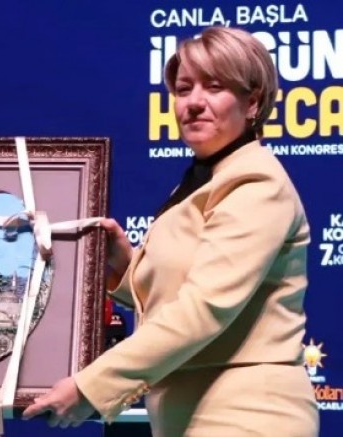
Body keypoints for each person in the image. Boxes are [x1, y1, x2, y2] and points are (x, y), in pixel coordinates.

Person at [23, 26, 319, 436]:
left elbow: (204, 309)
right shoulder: (205, 179)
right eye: (183, 89)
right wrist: (125, 267)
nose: (193, 102)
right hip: (193, 417)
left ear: (252, 102)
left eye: (214, 86)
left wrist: (90, 386)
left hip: (247, 417)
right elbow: (185, 290)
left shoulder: (255, 183)